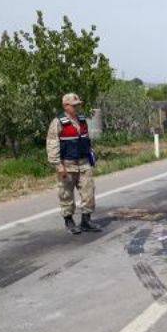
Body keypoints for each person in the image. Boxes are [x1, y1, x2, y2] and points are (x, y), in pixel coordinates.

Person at [46, 93, 100, 234]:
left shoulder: (82, 120)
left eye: (78, 105)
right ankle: (69, 221)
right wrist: (58, 165)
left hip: (83, 163)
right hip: (67, 164)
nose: (77, 107)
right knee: (66, 194)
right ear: (65, 106)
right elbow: (52, 145)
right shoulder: (57, 122)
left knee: (89, 192)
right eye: (74, 105)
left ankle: (86, 221)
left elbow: (86, 140)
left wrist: (91, 156)